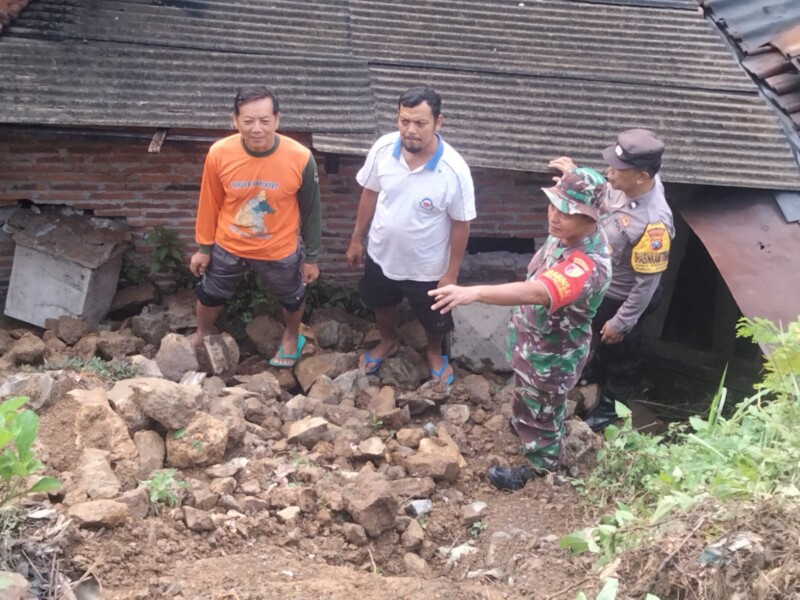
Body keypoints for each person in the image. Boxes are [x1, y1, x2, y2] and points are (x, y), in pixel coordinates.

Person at [429, 168, 612, 491]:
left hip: (552, 355)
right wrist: (570, 172)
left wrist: (474, 292)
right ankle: (527, 425)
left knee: (542, 408)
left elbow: (538, 292)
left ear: (589, 220)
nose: (555, 217)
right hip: (533, 342)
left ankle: (541, 470)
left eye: (566, 212)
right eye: (553, 206)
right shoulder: (569, 233)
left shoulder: (588, 265)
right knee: (528, 397)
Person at [345, 85, 476, 384]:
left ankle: (433, 352)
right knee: (382, 303)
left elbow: (461, 224)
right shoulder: (383, 149)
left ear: (438, 122)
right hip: (381, 254)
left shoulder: (454, 170)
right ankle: (388, 341)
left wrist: (451, 275)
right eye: (404, 121)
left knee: (435, 318)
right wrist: (356, 239)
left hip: (428, 267)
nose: (411, 130)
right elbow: (369, 193)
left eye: (420, 123)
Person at [549, 129, 674, 431]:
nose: (609, 173)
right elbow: (607, 199)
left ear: (642, 176)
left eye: (618, 170)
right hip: (603, 288)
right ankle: (594, 372)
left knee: (622, 354)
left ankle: (611, 408)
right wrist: (576, 176)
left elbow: (646, 284)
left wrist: (622, 322)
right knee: (598, 339)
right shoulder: (627, 188)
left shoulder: (654, 222)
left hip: (624, 298)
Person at [188, 85, 321, 368]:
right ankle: (203, 332)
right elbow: (209, 202)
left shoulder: (299, 157)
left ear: (277, 120)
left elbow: (311, 210)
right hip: (229, 243)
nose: (256, 128)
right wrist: (204, 248)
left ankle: (291, 336)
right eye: (248, 121)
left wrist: (311, 257)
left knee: (292, 296)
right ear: (234, 120)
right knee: (210, 292)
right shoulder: (219, 153)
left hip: (279, 247)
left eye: (264, 120)